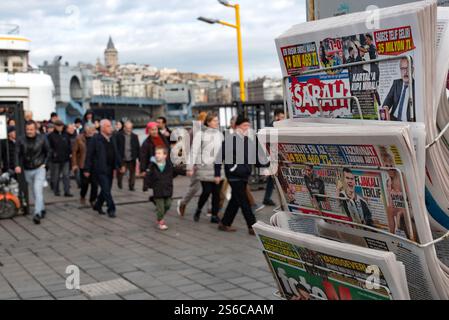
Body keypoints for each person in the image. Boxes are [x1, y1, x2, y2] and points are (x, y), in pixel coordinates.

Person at [215, 115, 268, 235]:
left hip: (244, 174)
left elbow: (256, 158)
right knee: (244, 201)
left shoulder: (248, 140)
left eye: (248, 125)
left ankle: (225, 223)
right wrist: (217, 174)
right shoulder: (229, 140)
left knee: (236, 200)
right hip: (234, 175)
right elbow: (219, 158)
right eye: (244, 125)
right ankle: (252, 226)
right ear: (237, 126)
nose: (247, 128)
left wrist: (264, 167)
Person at [84, 119, 124, 218]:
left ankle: (98, 205)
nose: (110, 128)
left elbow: (116, 153)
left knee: (106, 189)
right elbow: (89, 155)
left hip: (110, 168)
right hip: (100, 168)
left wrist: (121, 165)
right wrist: (87, 169)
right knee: (106, 189)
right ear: (102, 128)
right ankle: (111, 209)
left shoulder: (112, 138)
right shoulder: (95, 139)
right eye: (108, 126)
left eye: (110, 126)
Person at [189, 113, 224, 224]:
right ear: (208, 122)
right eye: (214, 120)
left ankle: (214, 215)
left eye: (217, 120)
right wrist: (190, 167)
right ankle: (199, 209)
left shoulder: (220, 134)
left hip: (218, 168)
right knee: (206, 191)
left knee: (217, 193)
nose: (216, 122)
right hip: (204, 167)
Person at [15, 121, 50, 224]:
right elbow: (17, 153)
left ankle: (37, 213)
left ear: (35, 129)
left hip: (40, 168)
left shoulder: (42, 138)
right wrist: (17, 165)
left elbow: (49, 151)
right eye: (27, 129)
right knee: (35, 192)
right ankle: (42, 208)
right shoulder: (21, 140)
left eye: (31, 129)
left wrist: (45, 164)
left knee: (37, 190)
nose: (29, 131)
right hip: (27, 169)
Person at [177, 112, 208, 217]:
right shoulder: (194, 131)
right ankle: (183, 203)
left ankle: (211, 209)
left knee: (210, 187)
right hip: (197, 163)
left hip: (208, 163)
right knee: (195, 187)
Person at [145, 146, 179, 231]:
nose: (157, 155)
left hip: (167, 189)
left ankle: (159, 214)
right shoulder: (152, 165)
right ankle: (160, 221)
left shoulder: (169, 165)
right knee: (160, 207)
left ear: (165, 155)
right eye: (156, 153)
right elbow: (148, 175)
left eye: (159, 153)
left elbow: (176, 171)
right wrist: (146, 185)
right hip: (158, 190)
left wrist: (186, 172)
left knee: (168, 204)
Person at [72, 123, 98, 207]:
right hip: (83, 163)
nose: (92, 132)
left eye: (93, 130)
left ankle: (93, 200)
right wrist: (74, 164)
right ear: (86, 130)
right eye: (90, 130)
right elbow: (74, 152)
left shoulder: (96, 137)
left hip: (94, 164)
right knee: (85, 184)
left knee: (95, 183)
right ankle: (82, 196)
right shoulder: (79, 138)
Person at [262, 109, 285, 207]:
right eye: (282, 117)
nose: (284, 119)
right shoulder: (271, 127)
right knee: (274, 178)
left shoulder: (276, 126)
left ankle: (267, 198)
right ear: (276, 117)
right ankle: (269, 198)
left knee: (272, 179)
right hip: (272, 156)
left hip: (275, 156)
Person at [382, 57, 415, 122]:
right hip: (393, 119)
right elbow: (389, 99)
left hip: (408, 123)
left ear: (412, 69)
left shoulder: (417, 86)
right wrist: (385, 108)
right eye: (402, 69)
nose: (405, 72)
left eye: (407, 68)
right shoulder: (396, 83)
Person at [140, 122, 170, 192]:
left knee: (166, 182)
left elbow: (168, 148)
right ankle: (158, 198)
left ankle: (164, 197)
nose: (154, 131)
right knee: (157, 184)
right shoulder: (146, 143)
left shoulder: (162, 137)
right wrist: (143, 170)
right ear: (148, 131)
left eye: (155, 129)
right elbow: (143, 157)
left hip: (166, 163)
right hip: (155, 165)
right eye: (152, 130)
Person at [48, 120, 73, 197]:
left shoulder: (66, 135)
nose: (59, 127)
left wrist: (70, 153)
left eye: (61, 126)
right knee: (56, 176)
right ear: (55, 126)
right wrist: (53, 154)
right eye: (58, 126)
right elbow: (49, 147)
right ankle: (56, 191)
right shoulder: (51, 136)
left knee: (66, 175)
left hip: (65, 158)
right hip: (55, 160)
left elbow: (69, 145)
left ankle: (67, 191)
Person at [116, 121, 140, 191]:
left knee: (132, 173)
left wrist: (139, 158)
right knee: (121, 173)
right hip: (122, 157)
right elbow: (116, 147)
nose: (128, 129)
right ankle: (119, 183)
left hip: (132, 157)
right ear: (124, 128)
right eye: (127, 128)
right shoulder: (119, 135)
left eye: (130, 128)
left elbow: (137, 147)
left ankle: (131, 186)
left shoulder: (135, 136)